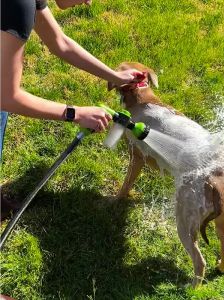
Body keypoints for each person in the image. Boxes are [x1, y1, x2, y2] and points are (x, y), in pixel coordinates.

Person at [0, 0, 143, 218]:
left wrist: (116, 77)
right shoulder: (17, 5)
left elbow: (60, 43)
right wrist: (76, 113)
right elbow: (6, 97)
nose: (89, 2)